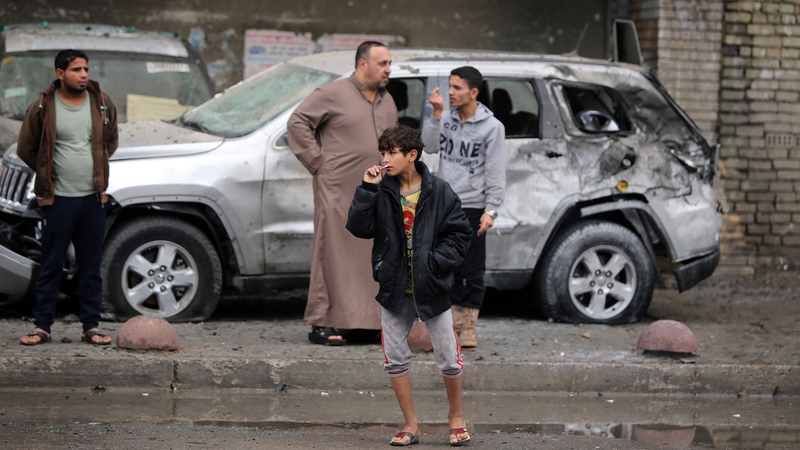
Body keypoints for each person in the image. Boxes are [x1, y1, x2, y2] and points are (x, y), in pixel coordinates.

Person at [346, 125, 473, 446]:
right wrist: (367, 188)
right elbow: (359, 227)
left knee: (448, 356)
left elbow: (460, 234)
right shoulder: (380, 190)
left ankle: (456, 417)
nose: (385, 160)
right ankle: (410, 424)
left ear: (412, 155)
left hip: (432, 286)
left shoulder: (439, 191)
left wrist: (434, 262)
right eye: (383, 153)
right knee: (394, 357)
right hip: (394, 286)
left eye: (392, 153)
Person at [288, 41, 398, 345]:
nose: (388, 69)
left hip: (376, 190)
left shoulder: (388, 100)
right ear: (363, 64)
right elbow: (297, 122)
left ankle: (364, 323)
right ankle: (323, 322)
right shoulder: (332, 93)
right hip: (336, 188)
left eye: (389, 63)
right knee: (332, 251)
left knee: (369, 255)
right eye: (382, 63)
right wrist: (318, 162)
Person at [17, 49, 118, 346]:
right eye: (76, 69)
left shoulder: (101, 103)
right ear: (60, 74)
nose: (83, 74)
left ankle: (91, 326)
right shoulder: (43, 106)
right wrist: (48, 171)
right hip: (58, 200)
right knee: (51, 265)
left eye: (86, 69)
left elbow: (110, 141)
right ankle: (42, 327)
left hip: (93, 199)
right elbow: (26, 148)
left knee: (90, 266)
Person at [422, 66, 506, 348]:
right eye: (450, 86)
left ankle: (467, 326)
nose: (450, 92)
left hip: (472, 206)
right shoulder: (445, 117)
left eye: (457, 87)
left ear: (473, 92)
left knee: (472, 269)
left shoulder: (492, 127)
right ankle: (449, 326)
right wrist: (436, 114)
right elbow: (428, 147)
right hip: (443, 204)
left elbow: (495, 170)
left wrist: (491, 209)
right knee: (446, 266)